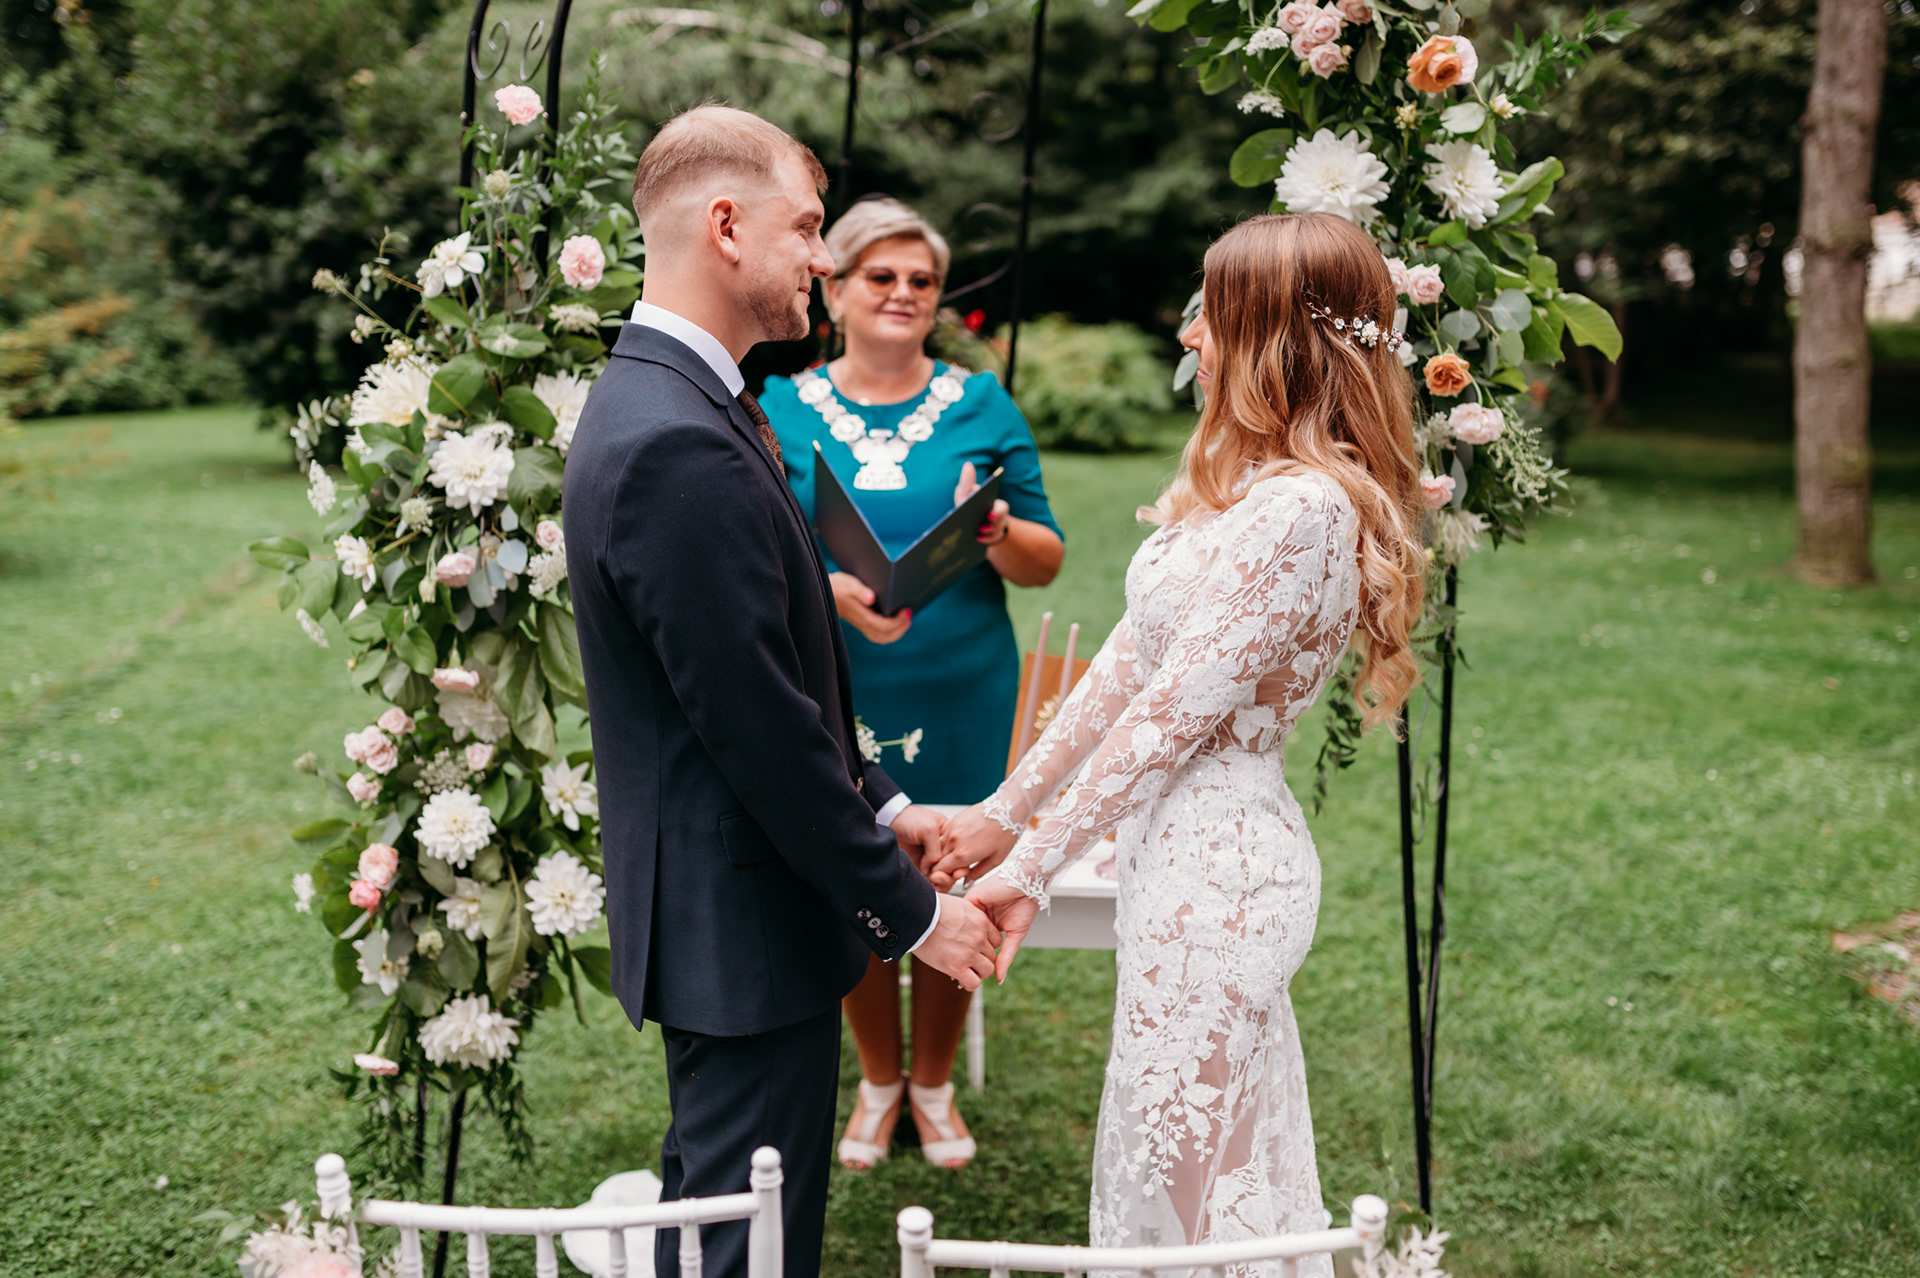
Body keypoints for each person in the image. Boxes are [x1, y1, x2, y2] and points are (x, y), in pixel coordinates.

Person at [937, 212, 1427, 1274]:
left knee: (1187, 1179)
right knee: (1176, 1165)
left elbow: (1171, 716)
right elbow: (1124, 670)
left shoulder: (1301, 511)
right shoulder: (1238, 493)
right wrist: (1001, 814)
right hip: (1174, 868)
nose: (1189, 334)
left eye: (1211, 314)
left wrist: (1032, 868)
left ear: (1272, 338)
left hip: (1222, 878)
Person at [561, 105, 1002, 1278]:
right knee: (743, 1252)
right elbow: (756, 728)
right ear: (725, 227)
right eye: (806, 228)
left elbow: (768, 672)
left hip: (739, 912)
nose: (821, 255)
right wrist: (916, 915)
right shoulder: (675, 439)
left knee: (725, 1225)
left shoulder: (687, 397)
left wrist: (886, 805)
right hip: (740, 924)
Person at [757, 196, 1064, 1172]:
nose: (902, 293)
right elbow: (753, 555)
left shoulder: (982, 404)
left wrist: (995, 532)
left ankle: (933, 1081)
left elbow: (1047, 559)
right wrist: (826, 590)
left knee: (952, 878)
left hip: (961, 684)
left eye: (921, 281)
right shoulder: (780, 407)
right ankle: (878, 1078)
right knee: (854, 872)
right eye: (880, 276)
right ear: (835, 290)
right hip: (834, 687)